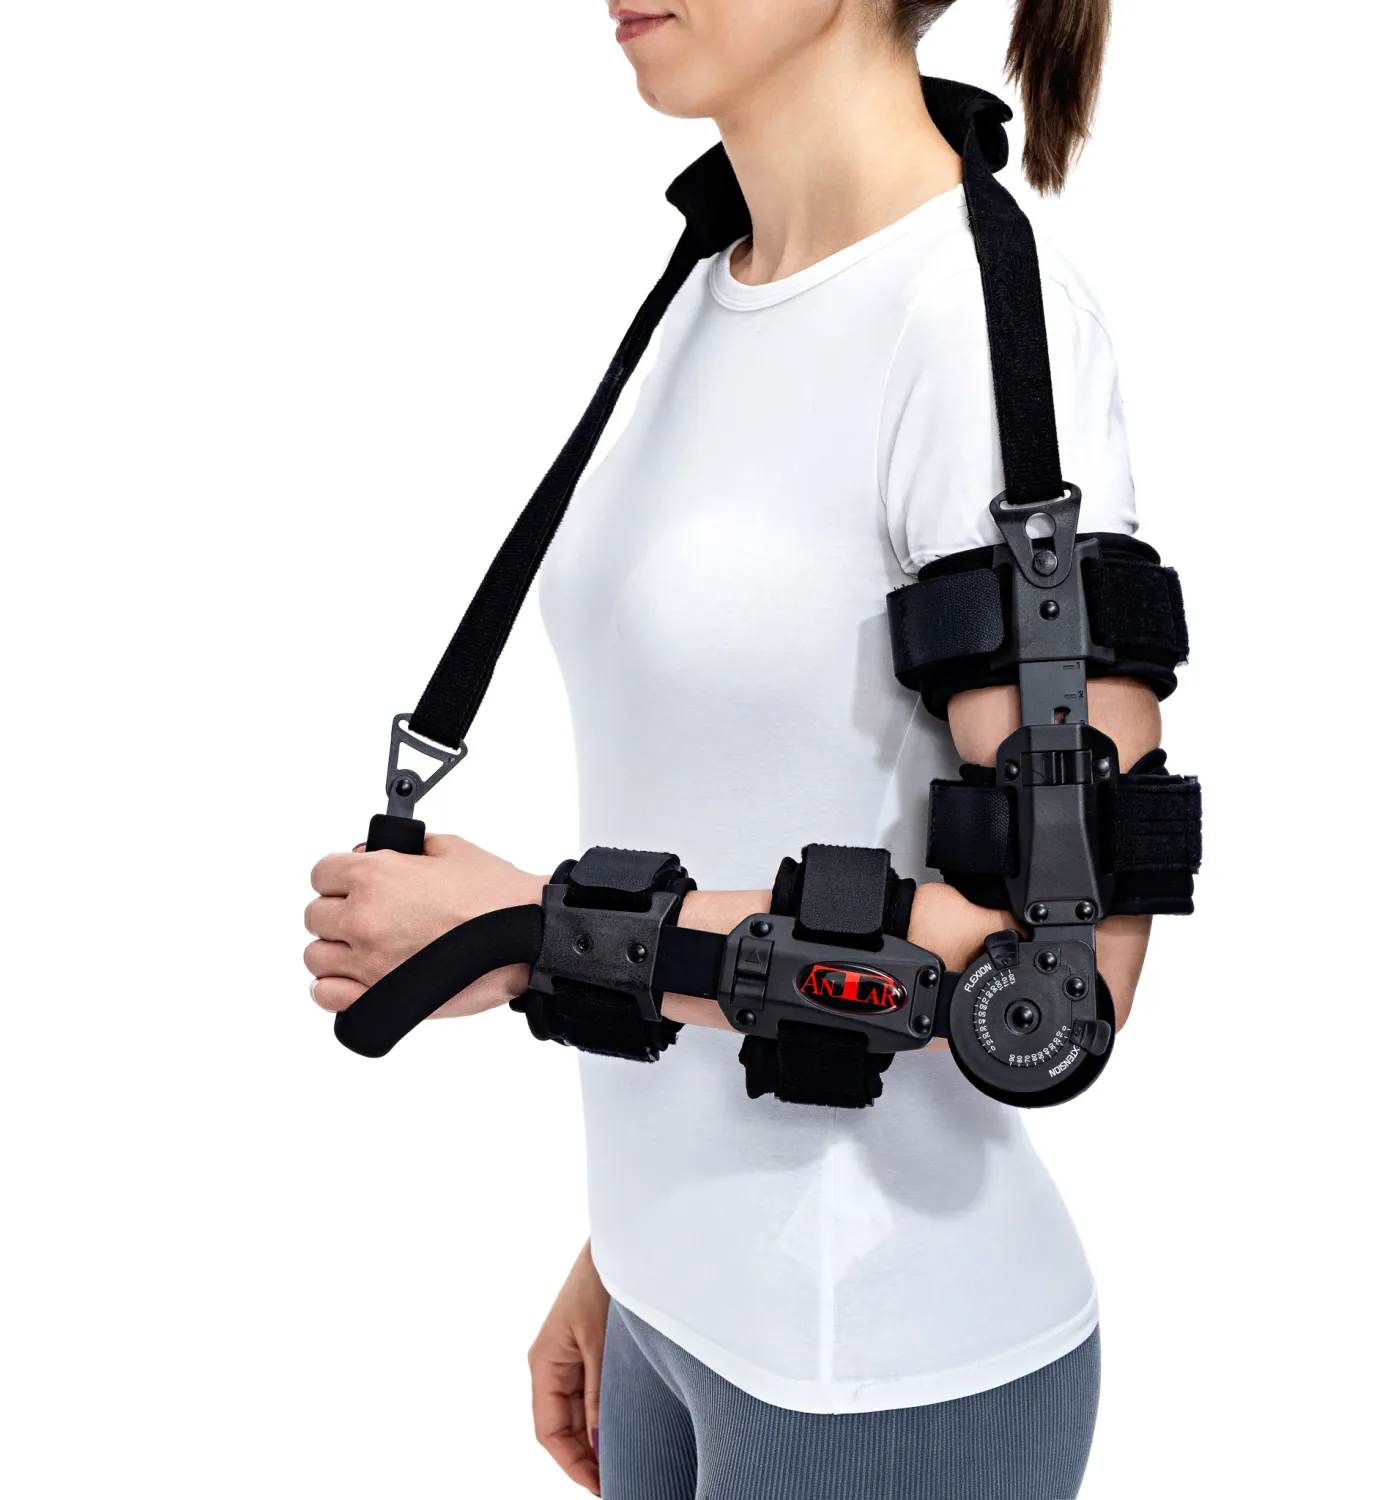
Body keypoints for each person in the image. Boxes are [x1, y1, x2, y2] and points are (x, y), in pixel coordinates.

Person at [305, 2, 1162, 1495]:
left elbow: (1053, 976)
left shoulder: (968, 328)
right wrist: (629, 1245)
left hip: (887, 1367)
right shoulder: (708, 283)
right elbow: (747, 795)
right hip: (674, 1318)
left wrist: (529, 932)